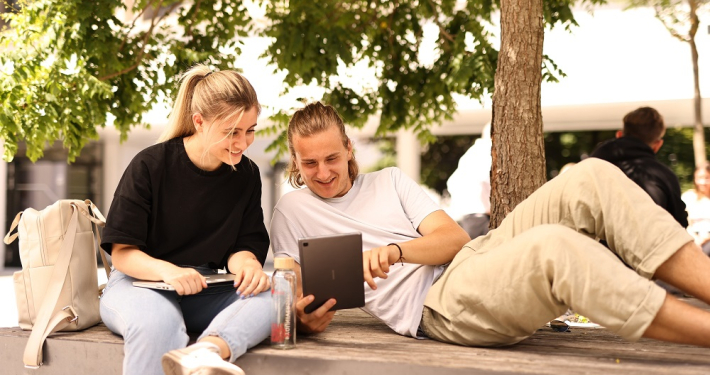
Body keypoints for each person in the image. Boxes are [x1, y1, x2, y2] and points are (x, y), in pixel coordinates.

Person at [271, 101, 710, 350]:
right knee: (552, 246)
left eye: (331, 158)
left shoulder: (388, 180)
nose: (323, 172)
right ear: (296, 161)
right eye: (309, 163)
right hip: (437, 308)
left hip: (471, 260)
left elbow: (453, 239)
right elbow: (288, 282)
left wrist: (398, 251)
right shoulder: (292, 211)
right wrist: (301, 318)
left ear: (349, 148)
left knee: (590, 176)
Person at [100, 65, 271, 375]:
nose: (243, 143)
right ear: (199, 122)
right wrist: (168, 272)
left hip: (207, 286)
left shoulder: (247, 175)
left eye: (250, 130)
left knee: (277, 297)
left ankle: (204, 353)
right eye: (231, 131)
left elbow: (243, 246)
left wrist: (248, 266)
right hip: (140, 286)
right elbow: (122, 253)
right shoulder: (149, 166)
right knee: (157, 322)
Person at [591, 106, 688, 227]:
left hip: (590, 244)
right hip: (649, 244)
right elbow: (678, 225)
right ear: (658, 145)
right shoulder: (664, 177)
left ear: (619, 135)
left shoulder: (590, 168)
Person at [445, 123, 491, 239]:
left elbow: (452, 182)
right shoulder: (486, 150)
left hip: (468, 217)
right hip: (482, 217)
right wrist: (490, 207)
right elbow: (484, 179)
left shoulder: (471, 153)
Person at [682, 163, 710, 255]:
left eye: (706, 178)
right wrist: (695, 238)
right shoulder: (688, 197)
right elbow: (685, 223)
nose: (703, 182)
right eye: (700, 178)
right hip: (692, 238)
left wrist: (705, 238)